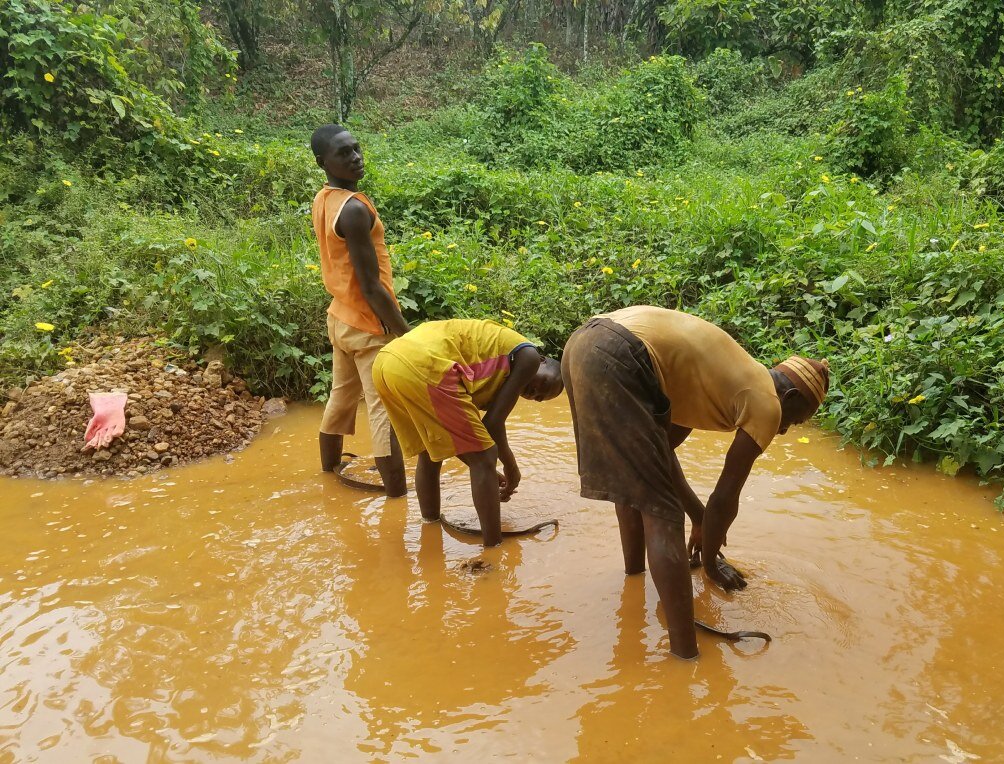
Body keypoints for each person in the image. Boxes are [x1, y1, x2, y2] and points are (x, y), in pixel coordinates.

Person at [562, 305, 829, 659]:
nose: (783, 429)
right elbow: (725, 497)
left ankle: (634, 580)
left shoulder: (711, 381)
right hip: (621, 354)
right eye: (795, 421)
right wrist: (711, 561)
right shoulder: (767, 402)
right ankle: (685, 657)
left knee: (634, 486)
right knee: (663, 516)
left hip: (581, 345)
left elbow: (660, 456)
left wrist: (699, 518)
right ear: (791, 399)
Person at [371, 319, 564, 547]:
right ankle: (494, 548)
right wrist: (511, 470)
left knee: (431, 449)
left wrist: (480, 465)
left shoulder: (494, 371)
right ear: (542, 362)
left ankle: (429, 527)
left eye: (539, 398)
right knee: (485, 457)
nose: (535, 393)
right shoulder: (528, 357)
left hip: (386, 363)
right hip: (423, 364)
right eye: (545, 384)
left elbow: (476, 430)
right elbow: (492, 424)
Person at [310, 124, 410, 497]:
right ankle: (399, 497)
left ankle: (329, 473)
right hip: (368, 326)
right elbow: (371, 286)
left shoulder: (325, 199)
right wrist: (405, 332)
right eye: (344, 153)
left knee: (341, 397)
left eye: (356, 149)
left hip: (340, 317)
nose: (355, 157)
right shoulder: (353, 210)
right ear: (323, 162)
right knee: (385, 412)